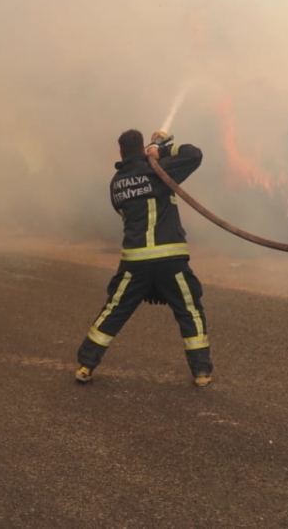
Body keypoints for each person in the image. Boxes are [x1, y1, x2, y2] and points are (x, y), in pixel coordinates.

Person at [74, 129, 213, 386]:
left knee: (114, 311)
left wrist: (150, 159)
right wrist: (162, 151)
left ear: (120, 153)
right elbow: (194, 154)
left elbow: (124, 209)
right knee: (189, 310)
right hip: (170, 259)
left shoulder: (116, 182)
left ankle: (85, 365)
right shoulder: (158, 172)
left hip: (134, 262)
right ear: (142, 150)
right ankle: (201, 373)